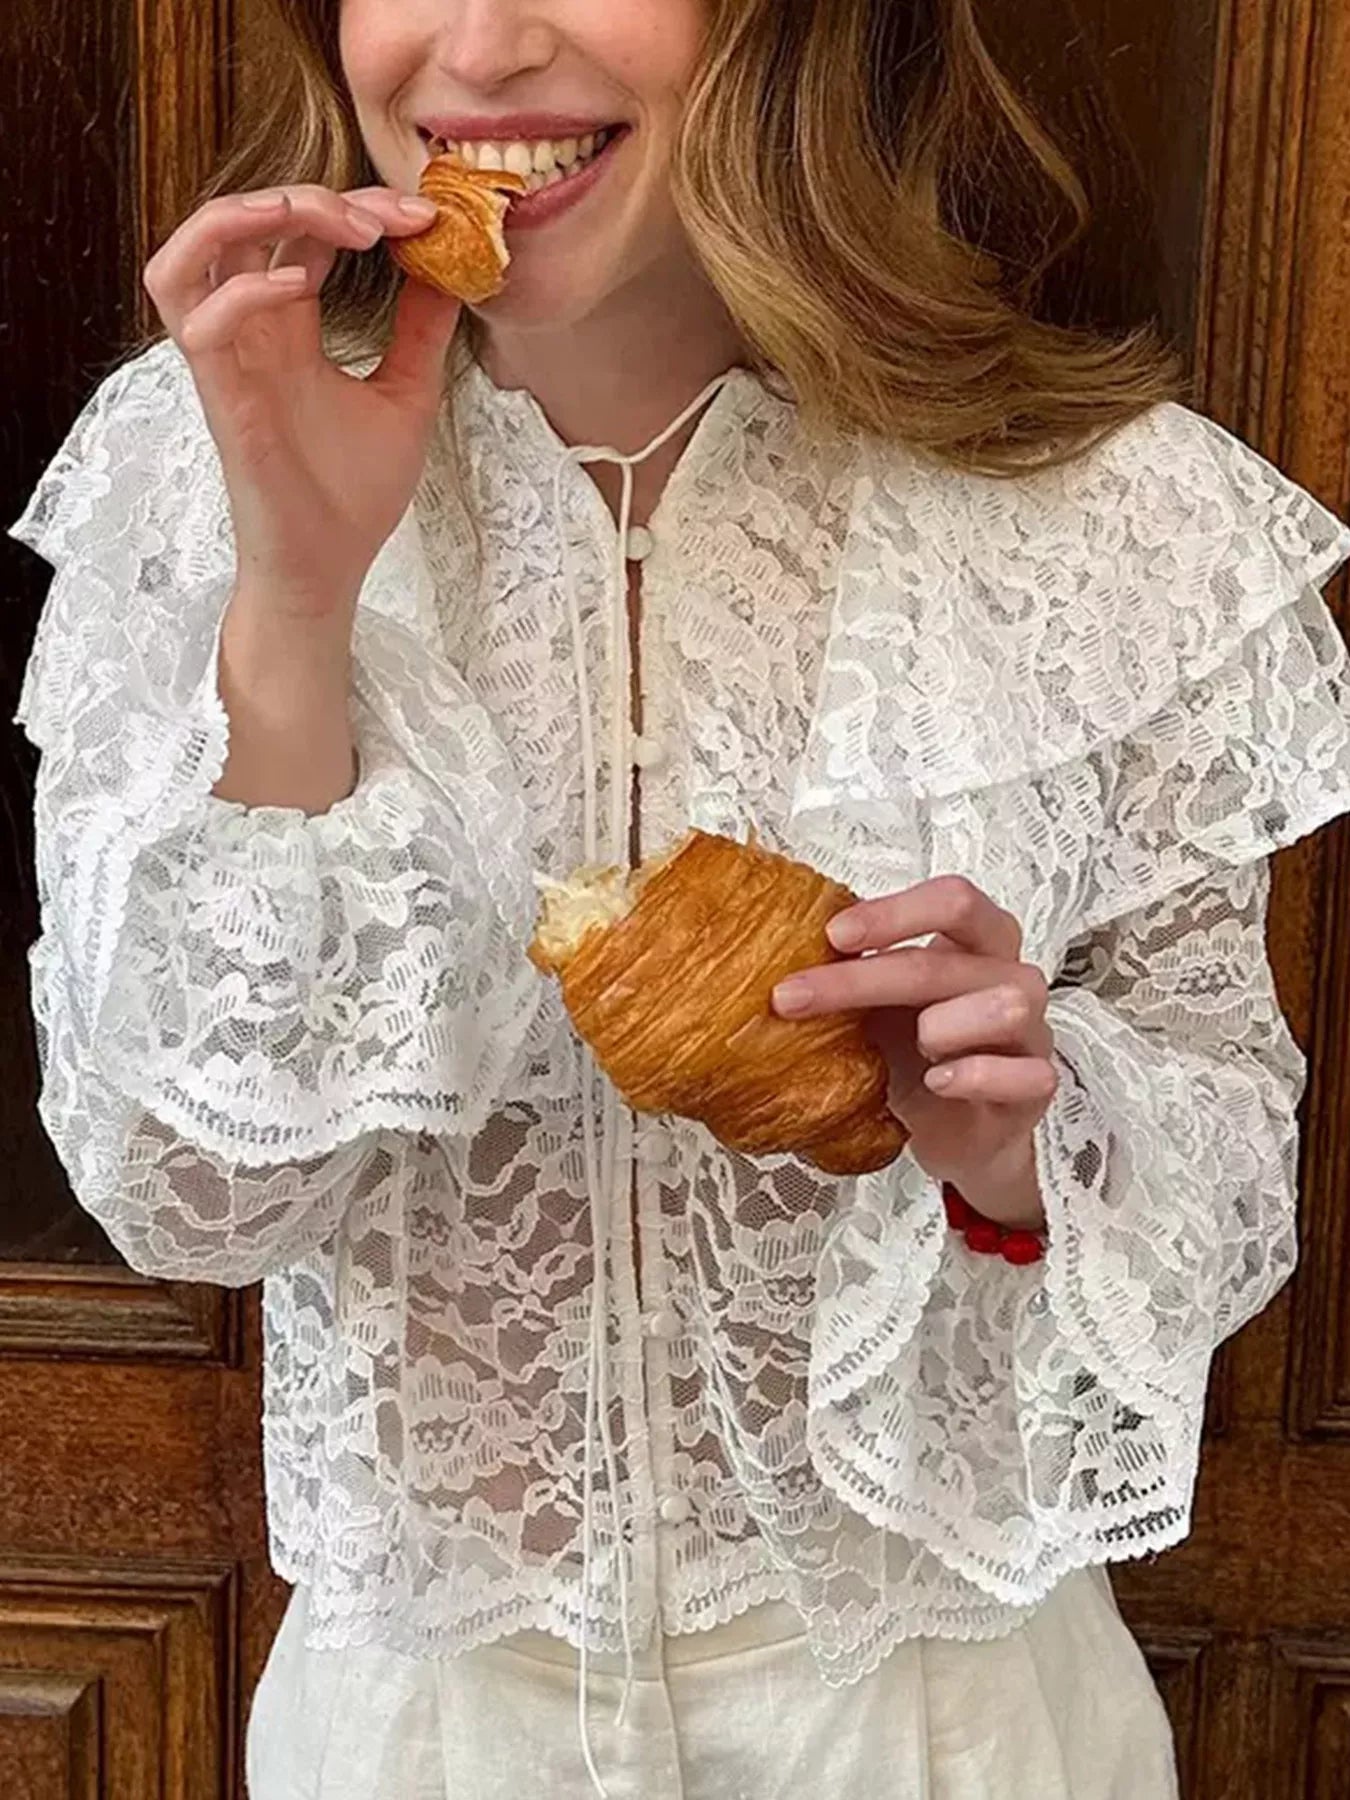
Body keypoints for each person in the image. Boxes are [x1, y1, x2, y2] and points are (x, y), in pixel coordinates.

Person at [11, 1, 1350, 1796]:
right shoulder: (190, 465)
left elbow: (1226, 1167)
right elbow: (196, 1196)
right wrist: (299, 604)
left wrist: (1024, 1147)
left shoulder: (1111, 522)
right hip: (423, 1721)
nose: (475, 52)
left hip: (937, 1713)